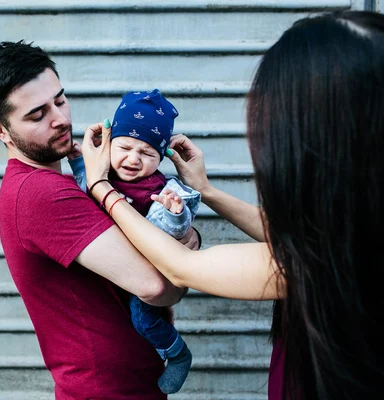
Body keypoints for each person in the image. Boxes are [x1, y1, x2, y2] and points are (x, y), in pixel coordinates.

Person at [80, 10, 383, 400]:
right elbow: (291, 237)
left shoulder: (335, 263)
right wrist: (204, 189)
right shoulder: (354, 232)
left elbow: (180, 266)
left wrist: (101, 186)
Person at [0, 40, 191, 399]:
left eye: (59, 100)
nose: (60, 119)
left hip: (128, 386)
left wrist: (184, 235)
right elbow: (157, 287)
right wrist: (184, 262)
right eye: (37, 115)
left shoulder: (67, 180)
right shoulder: (41, 193)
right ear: (0, 131)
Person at [67, 89, 201, 394]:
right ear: (110, 144)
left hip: (146, 273)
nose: (132, 158)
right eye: (125, 147)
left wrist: (176, 215)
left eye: (147, 153)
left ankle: (178, 354)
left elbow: (174, 234)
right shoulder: (104, 172)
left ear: (161, 157)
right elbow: (86, 184)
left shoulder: (162, 190)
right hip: (111, 269)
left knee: (144, 321)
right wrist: (78, 161)